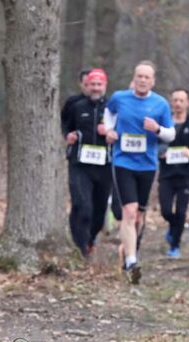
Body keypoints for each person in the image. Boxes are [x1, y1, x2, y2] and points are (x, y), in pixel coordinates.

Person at [104, 61, 175, 283]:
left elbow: (170, 135)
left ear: (153, 81)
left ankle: (130, 249)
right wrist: (109, 130)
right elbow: (108, 113)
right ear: (134, 78)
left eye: (147, 77)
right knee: (130, 211)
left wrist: (157, 129)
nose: (143, 80)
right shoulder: (119, 97)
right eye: (139, 76)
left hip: (148, 164)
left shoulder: (160, 104)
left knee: (140, 216)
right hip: (123, 161)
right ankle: (132, 261)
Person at [61, 68, 112, 258]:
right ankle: (79, 247)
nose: (96, 88)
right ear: (86, 85)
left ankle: (90, 240)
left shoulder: (111, 107)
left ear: (105, 86)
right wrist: (68, 135)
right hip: (79, 164)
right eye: (92, 84)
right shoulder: (75, 105)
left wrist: (109, 132)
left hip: (105, 165)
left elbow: (121, 130)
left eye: (99, 84)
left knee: (98, 210)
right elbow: (64, 123)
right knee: (82, 205)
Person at [158, 88, 189, 258]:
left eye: (181, 100)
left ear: (187, 103)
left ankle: (175, 245)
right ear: (171, 103)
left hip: (185, 176)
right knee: (165, 211)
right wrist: (160, 153)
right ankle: (173, 227)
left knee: (180, 212)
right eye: (175, 100)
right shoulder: (164, 125)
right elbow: (154, 147)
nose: (178, 104)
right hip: (166, 175)